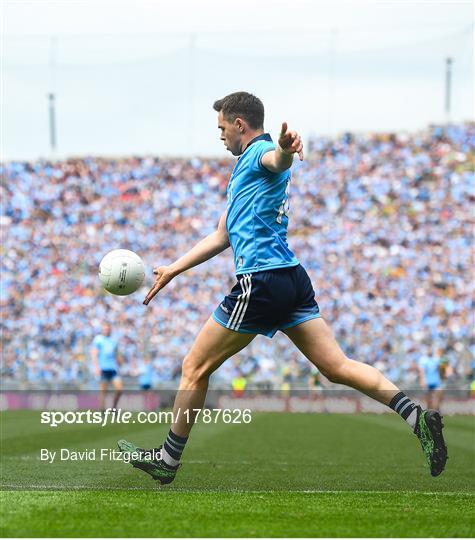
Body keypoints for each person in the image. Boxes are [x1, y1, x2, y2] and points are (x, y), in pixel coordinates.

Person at [118, 91, 447, 484]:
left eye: (222, 127)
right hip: (291, 277)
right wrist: (174, 268)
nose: (219, 135)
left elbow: (277, 159)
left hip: (261, 280)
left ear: (240, 125)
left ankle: (167, 462)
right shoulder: (243, 170)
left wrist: (286, 150)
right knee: (336, 366)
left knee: (194, 367)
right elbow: (222, 235)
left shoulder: (260, 154)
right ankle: (416, 418)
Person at [91, 322, 123, 411]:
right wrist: (96, 367)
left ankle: (114, 407)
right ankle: (102, 410)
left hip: (113, 368)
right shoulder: (98, 339)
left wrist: (120, 361)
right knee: (103, 392)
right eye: (105, 329)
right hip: (103, 368)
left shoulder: (113, 340)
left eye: (108, 329)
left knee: (119, 389)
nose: (107, 330)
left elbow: (117, 353)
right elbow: (94, 353)